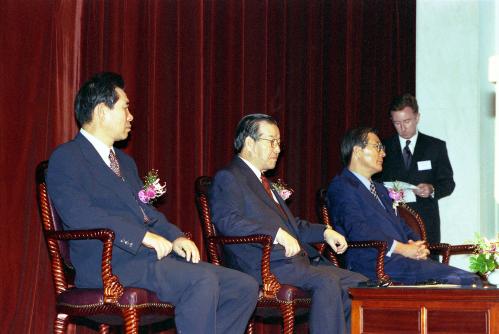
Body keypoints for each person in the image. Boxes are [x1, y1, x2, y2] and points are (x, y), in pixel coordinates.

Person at [46, 72, 258, 334]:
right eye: (125, 108)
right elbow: (80, 215)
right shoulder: (67, 158)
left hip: (147, 261)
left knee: (244, 286)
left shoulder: (125, 162)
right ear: (102, 111)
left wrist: (176, 236)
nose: (131, 116)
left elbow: (145, 211)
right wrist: (142, 236)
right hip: (109, 264)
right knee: (201, 280)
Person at [209, 113, 367, 334]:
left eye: (279, 143)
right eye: (271, 141)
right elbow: (228, 221)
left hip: (296, 263)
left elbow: (293, 227)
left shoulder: (266, 183)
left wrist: (324, 232)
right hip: (265, 266)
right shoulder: (230, 176)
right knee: (327, 281)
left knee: (360, 284)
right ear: (249, 143)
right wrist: (275, 233)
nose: (278, 149)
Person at [327, 127, 480, 285]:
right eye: (377, 147)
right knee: (462, 280)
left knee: (470, 279)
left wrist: (417, 245)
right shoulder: (342, 186)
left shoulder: (379, 189)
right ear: (358, 151)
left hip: (400, 261)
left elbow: (400, 224)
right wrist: (402, 248)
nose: (383, 154)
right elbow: (358, 230)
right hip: (373, 263)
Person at [378, 93, 455, 245]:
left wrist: (431, 189)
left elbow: (448, 184)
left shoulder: (435, 147)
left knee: (429, 264)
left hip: (425, 221)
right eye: (397, 123)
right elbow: (374, 181)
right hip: (393, 220)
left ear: (417, 117)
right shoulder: (383, 146)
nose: (402, 128)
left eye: (407, 121)